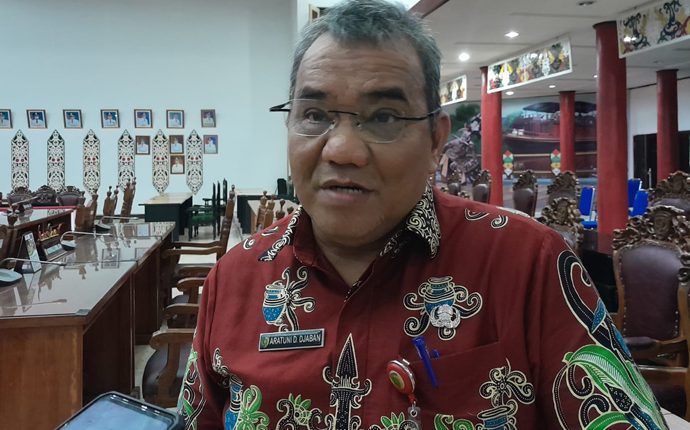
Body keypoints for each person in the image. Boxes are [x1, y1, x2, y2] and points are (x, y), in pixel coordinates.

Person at [178, 1, 668, 429]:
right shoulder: (235, 279)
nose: (342, 149)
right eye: (315, 115)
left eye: (384, 117)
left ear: (436, 139)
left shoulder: (526, 264)